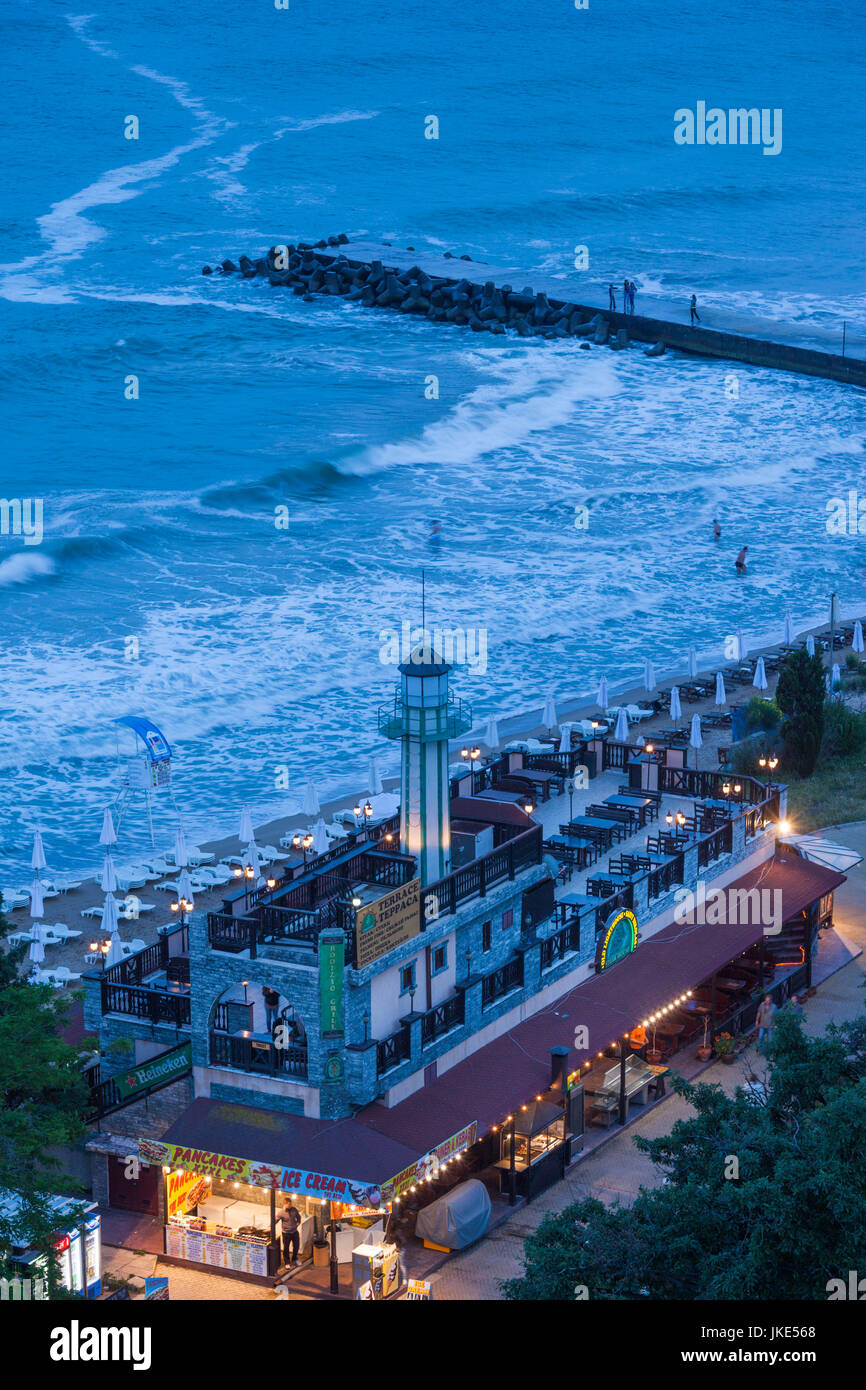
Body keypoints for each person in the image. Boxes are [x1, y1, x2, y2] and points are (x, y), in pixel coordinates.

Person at [278, 1199, 302, 1266]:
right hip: (286, 1233)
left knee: (296, 1246)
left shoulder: (294, 1209)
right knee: (286, 1248)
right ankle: (287, 1262)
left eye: (291, 1204)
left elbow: (298, 1217)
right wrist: (270, 1227)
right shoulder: (281, 1212)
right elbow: (276, 1219)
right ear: (285, 1204)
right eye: (289, 1204)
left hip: (294, 1232)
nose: (290, 1205)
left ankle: (294, 1259)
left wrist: (298, 1223)